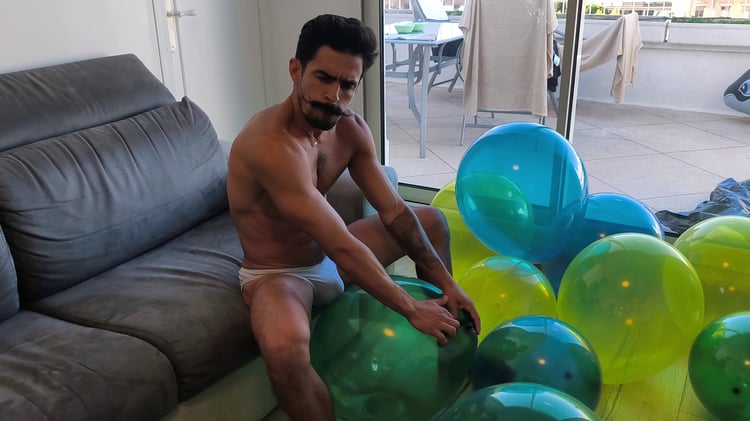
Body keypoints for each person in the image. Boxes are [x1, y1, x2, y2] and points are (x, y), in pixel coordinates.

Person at [227, 14, 481, 421]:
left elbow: (393, 211)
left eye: (347, 85)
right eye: (323, 78)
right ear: (296, 70)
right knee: (283, 348)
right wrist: (410, 309)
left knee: (432, 222)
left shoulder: (349, 130)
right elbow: (343, 245)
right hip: (279, 274)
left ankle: (445, 355)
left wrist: (447, 282)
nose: (334, 95)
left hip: (329, 255)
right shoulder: (269, 145)